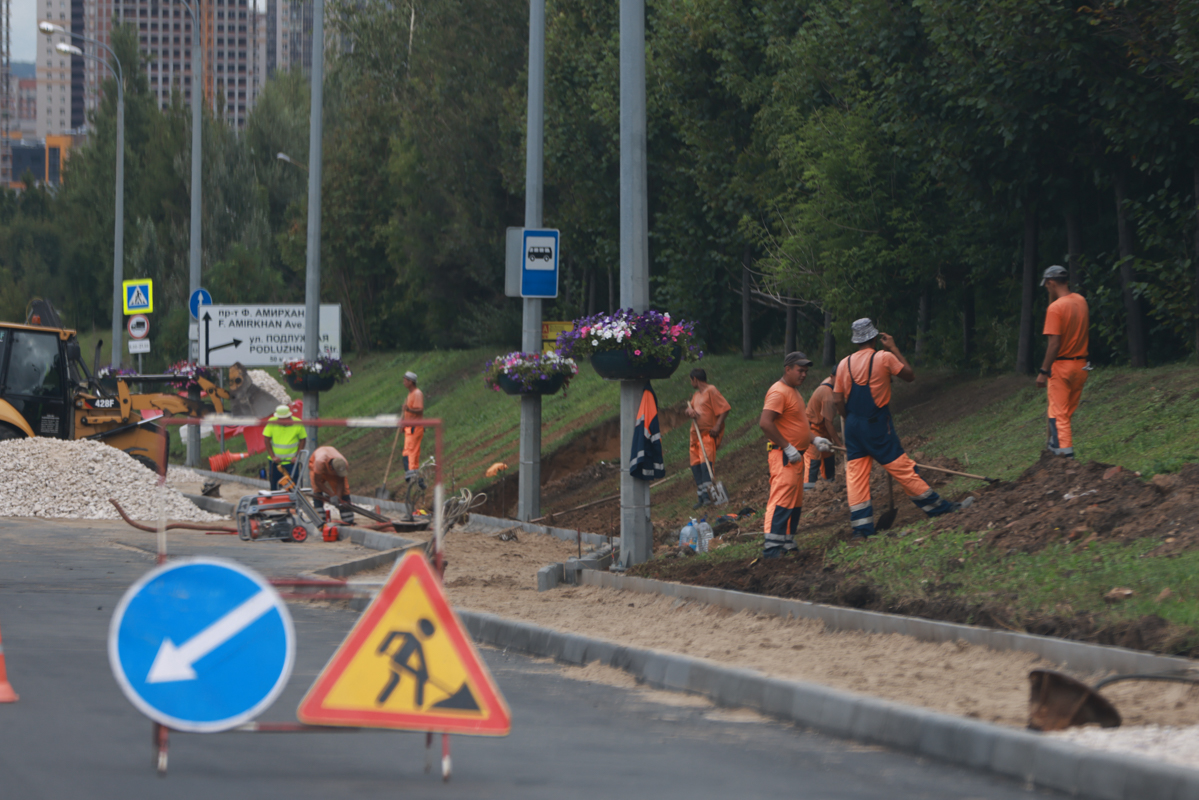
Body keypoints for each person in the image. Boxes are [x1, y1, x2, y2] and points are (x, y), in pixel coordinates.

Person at [833, 319, 963, 541]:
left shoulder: (843, 364)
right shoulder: (884, 357)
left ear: (856, 340)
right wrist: (893, 347)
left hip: (853, 426)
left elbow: (837, 399)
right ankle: (939, 509)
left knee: (855, 476)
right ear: (874, 338)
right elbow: (910, 375)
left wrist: (850, 419)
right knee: (902, 468)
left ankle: (861, 530)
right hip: (876, 424)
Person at [758, 352, 831, 558]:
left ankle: (786, 542)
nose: (804, 375)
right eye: (800, 370)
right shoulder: (778, 392)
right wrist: (787, 447)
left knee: (794, 501)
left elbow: (797, 425)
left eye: (806, 371)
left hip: (796, 456)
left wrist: (814, 439)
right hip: (784, 456)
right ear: (787, 369)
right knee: (781, 499)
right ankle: (772, 547)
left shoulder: (794, 392)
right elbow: (765, 423)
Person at [1036, 265, 1090, 458]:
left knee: (1059, 417)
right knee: (1065, 415)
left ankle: (1066, 460)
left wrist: (1043, 371)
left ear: (1051, 283)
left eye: (1047, 286)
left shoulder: (1055, 308)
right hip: (1081, 366)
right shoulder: (1080, 301)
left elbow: (1054, 344)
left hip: (1062, 367)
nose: (1047, 289)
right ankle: (1054, 450)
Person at [684, 368, 731, 508]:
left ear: (695, 379)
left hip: (707, 435)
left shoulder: (711, 390)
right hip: (695, 437)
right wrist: (689, 411)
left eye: (691, 380)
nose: (691, 383)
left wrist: (717, 425)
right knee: (696, 466)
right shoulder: (696, 395)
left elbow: (725, 409)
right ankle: (701, 496)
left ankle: (708, 496)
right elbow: (690, 409)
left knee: (706, 465)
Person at [803, 373, 842, 490]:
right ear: (832, 376)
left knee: (828, 456)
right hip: (812, 428)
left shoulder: (829, 382)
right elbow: (829, 424)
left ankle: (829, 485)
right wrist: (840, 445)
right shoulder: (828, 396)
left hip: (822, 427)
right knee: (813, 460)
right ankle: (808, 490)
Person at [262, 404, 306, 491]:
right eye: (279, 419)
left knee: (294, 485)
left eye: (283, 419)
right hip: (276, 462)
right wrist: (273, 456)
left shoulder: (297, 423)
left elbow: (303, 440)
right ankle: (276, 498)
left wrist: (297, 456)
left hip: (292, 462)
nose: (280, 421)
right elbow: (266, 439)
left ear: (289, 417)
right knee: (275, 484)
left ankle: (294, 498)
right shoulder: (272, 422)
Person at [309, 445, 355, 525]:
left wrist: (338, 498)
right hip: (318, 469)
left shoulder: (343, 463)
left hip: (330, 468)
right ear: (330, 467)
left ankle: (348, 520)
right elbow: (318, 482)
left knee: (344, 491)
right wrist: (331, 495)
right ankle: (320, 518)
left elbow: (340, 481)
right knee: (317, 490)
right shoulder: (319, 462)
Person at [402, 371, 425, 481]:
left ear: (411, 382)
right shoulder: (410, 394)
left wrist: (408, 409)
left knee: (411, 452)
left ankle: (413, 477)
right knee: (408, 452)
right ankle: (413, 476)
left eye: (405, 380)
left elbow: (420, 410)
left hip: (415, 428)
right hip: (409, 428)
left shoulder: (417, 394)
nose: (404, 382)